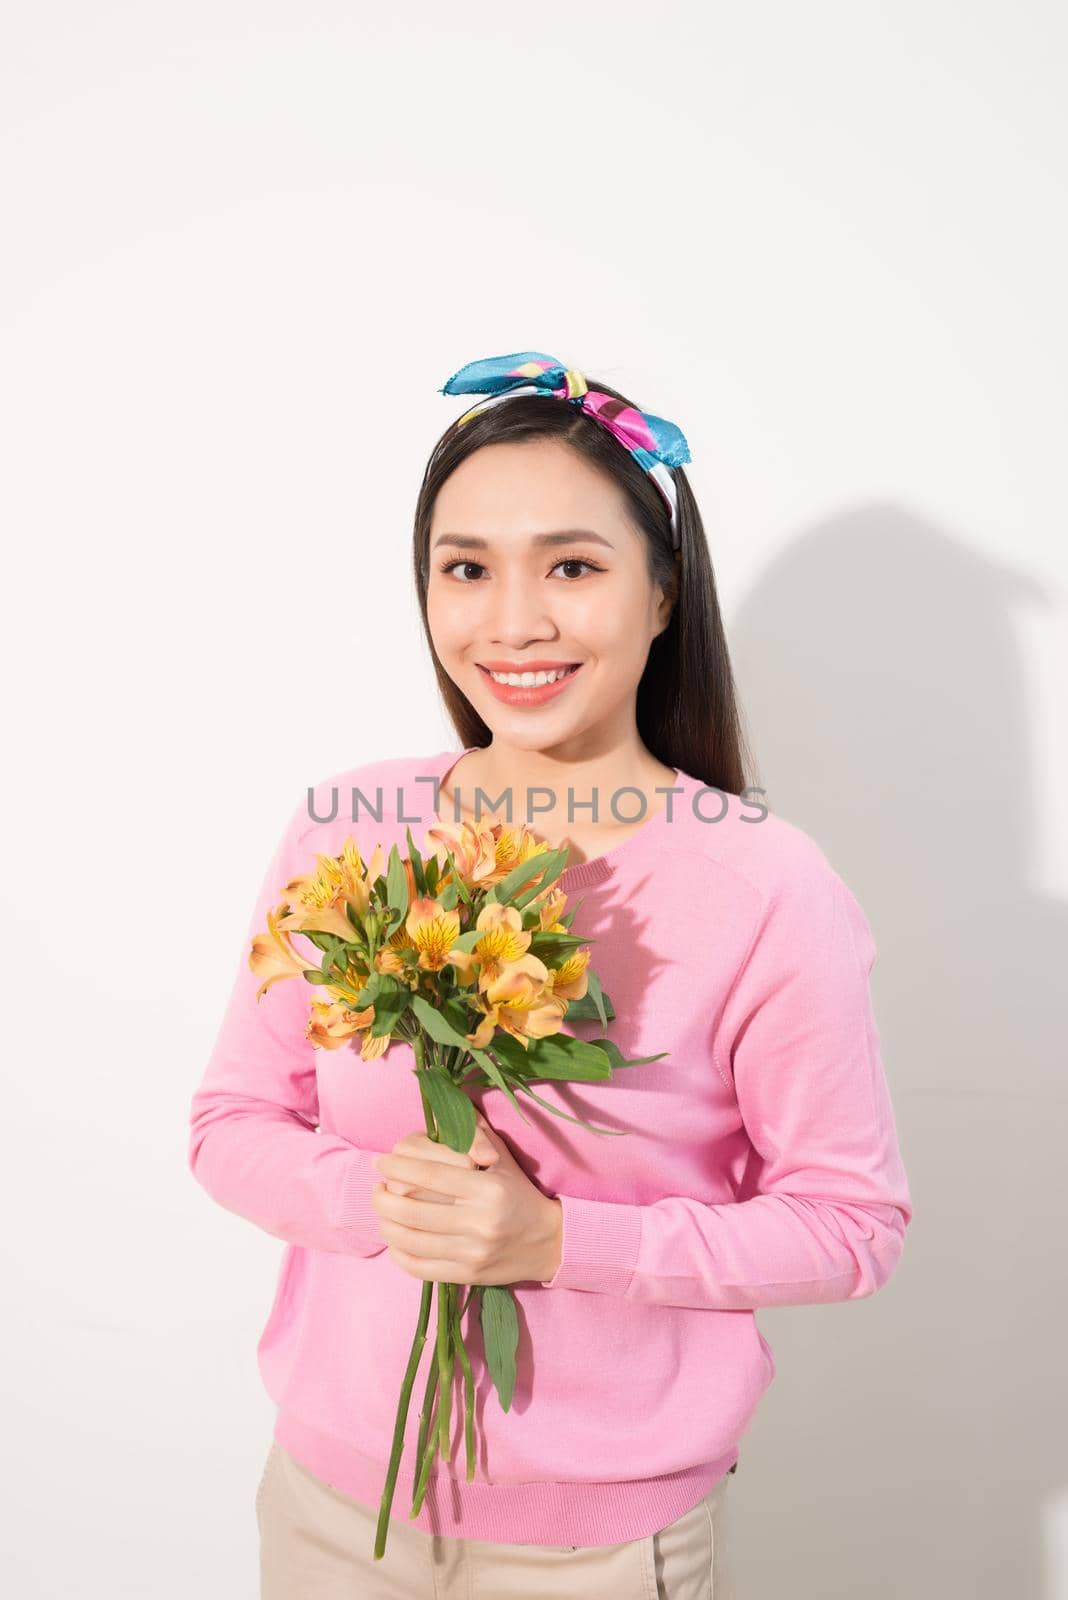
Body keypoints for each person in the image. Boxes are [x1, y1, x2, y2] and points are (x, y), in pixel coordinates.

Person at [188, 351, 913, 1597]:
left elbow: (850, 1227)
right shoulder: (347, 827)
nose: (512, 622)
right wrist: (380, 1204)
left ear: (664, 593)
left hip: (607, 1548)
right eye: (466, 568)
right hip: (327, 1508)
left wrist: (559, 1239)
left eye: (572, 566)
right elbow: (230, 1121)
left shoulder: (768, 888)